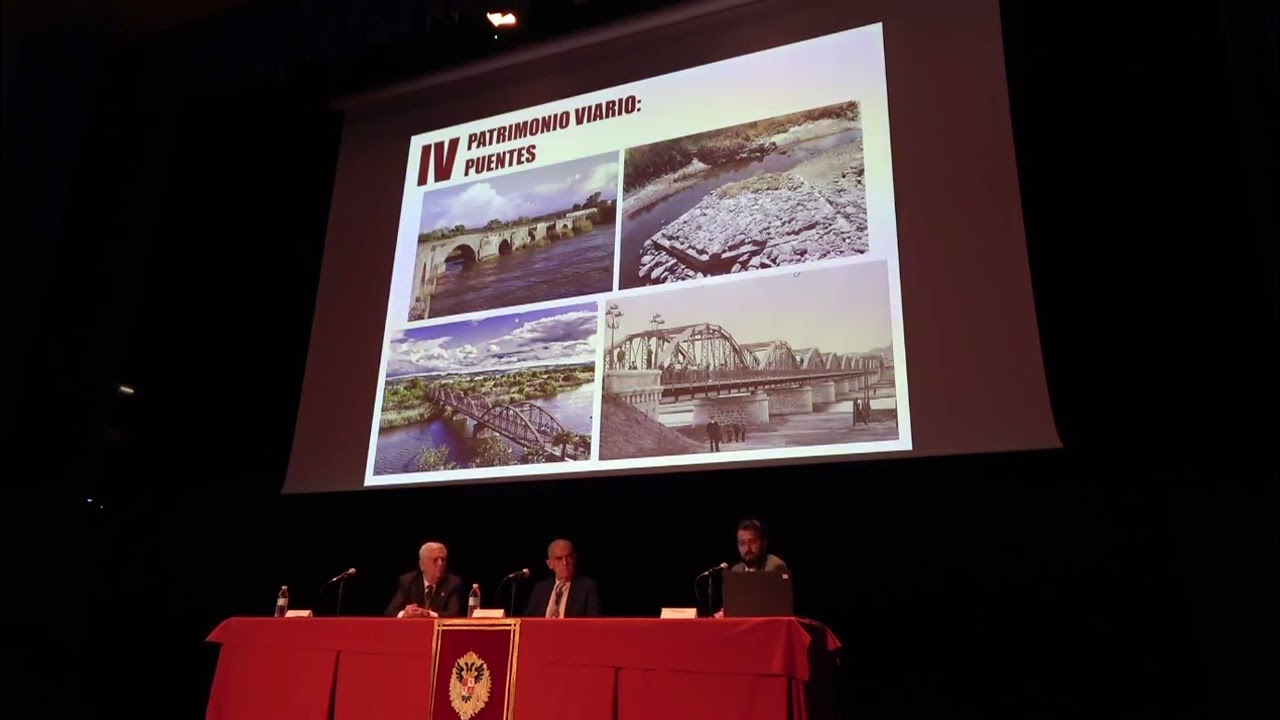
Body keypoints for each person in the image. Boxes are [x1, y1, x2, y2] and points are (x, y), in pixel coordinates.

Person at [714, 519, 789, 617]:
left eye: (752, 542)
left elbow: (775, 608)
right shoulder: (735, 570)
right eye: (742, 543)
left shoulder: (775, 566)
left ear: (764, 543)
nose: (747, 548)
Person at [522, 538, 603, 618]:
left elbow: (595, 623)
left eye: (569, 557)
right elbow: (528, 620)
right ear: (550, 564)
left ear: (575, 559)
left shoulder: (587, 587)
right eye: (559, 559)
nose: (565, 562)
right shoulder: (540, 589)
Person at [385, 541, 466, 618]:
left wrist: (427, 614)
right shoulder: (409, 581)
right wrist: (404, 613)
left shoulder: (453, 583)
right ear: (422, 564)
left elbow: (453, 613)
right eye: (435, 560)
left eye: (443, 560)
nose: (440, 564)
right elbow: (390, 611)